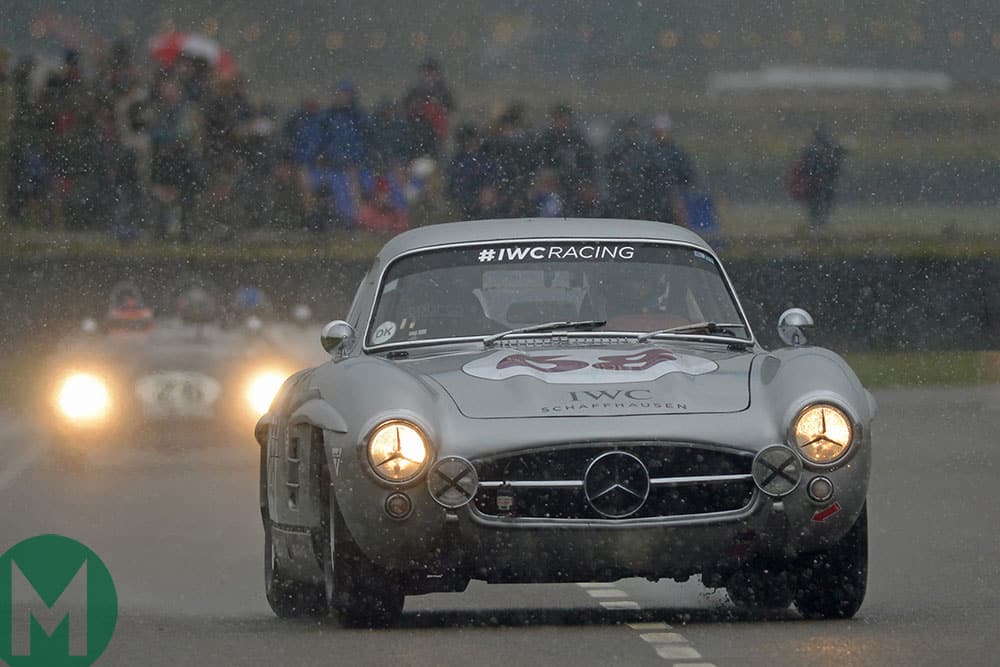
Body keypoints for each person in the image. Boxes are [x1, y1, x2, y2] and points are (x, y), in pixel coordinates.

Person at [534, 104, 596, 216]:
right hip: (553, 185)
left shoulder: (578, 138)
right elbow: (539, 163)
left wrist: (585, 182)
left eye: (563, 119)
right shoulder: (545, 139)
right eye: (558, 119)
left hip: (575, 184)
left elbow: (587, 162)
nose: (561, 123)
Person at [643, 113, 696, 226]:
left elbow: (687, 176)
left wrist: (677, 195)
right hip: (653, 200)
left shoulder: (677, 153)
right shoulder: (648, 153)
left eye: (663, 131)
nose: (661, 135)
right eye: (659, 131)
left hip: (672, 200)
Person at [403, 58, 455, 159]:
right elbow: (406, 107)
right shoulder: (416, 91)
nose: (429, 76)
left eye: (432, 72)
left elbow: (450, 109)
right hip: (416, 134)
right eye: (427, 72)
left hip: (436, 134)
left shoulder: (443, 91)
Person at [797, 127, 846, 229]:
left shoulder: (813, 150)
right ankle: (819, 223)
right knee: (821, 204)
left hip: (817, 183)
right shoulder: (828, 149)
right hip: (822, 183)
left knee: (817, 204)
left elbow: (806, 165)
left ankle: (817, 224)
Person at [604, 116, 649, 219]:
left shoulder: (644, 151)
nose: (632, 133)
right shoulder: (617, 150)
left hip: (638, 195)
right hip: (621, 194)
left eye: (634, 130)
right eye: (630, 130)